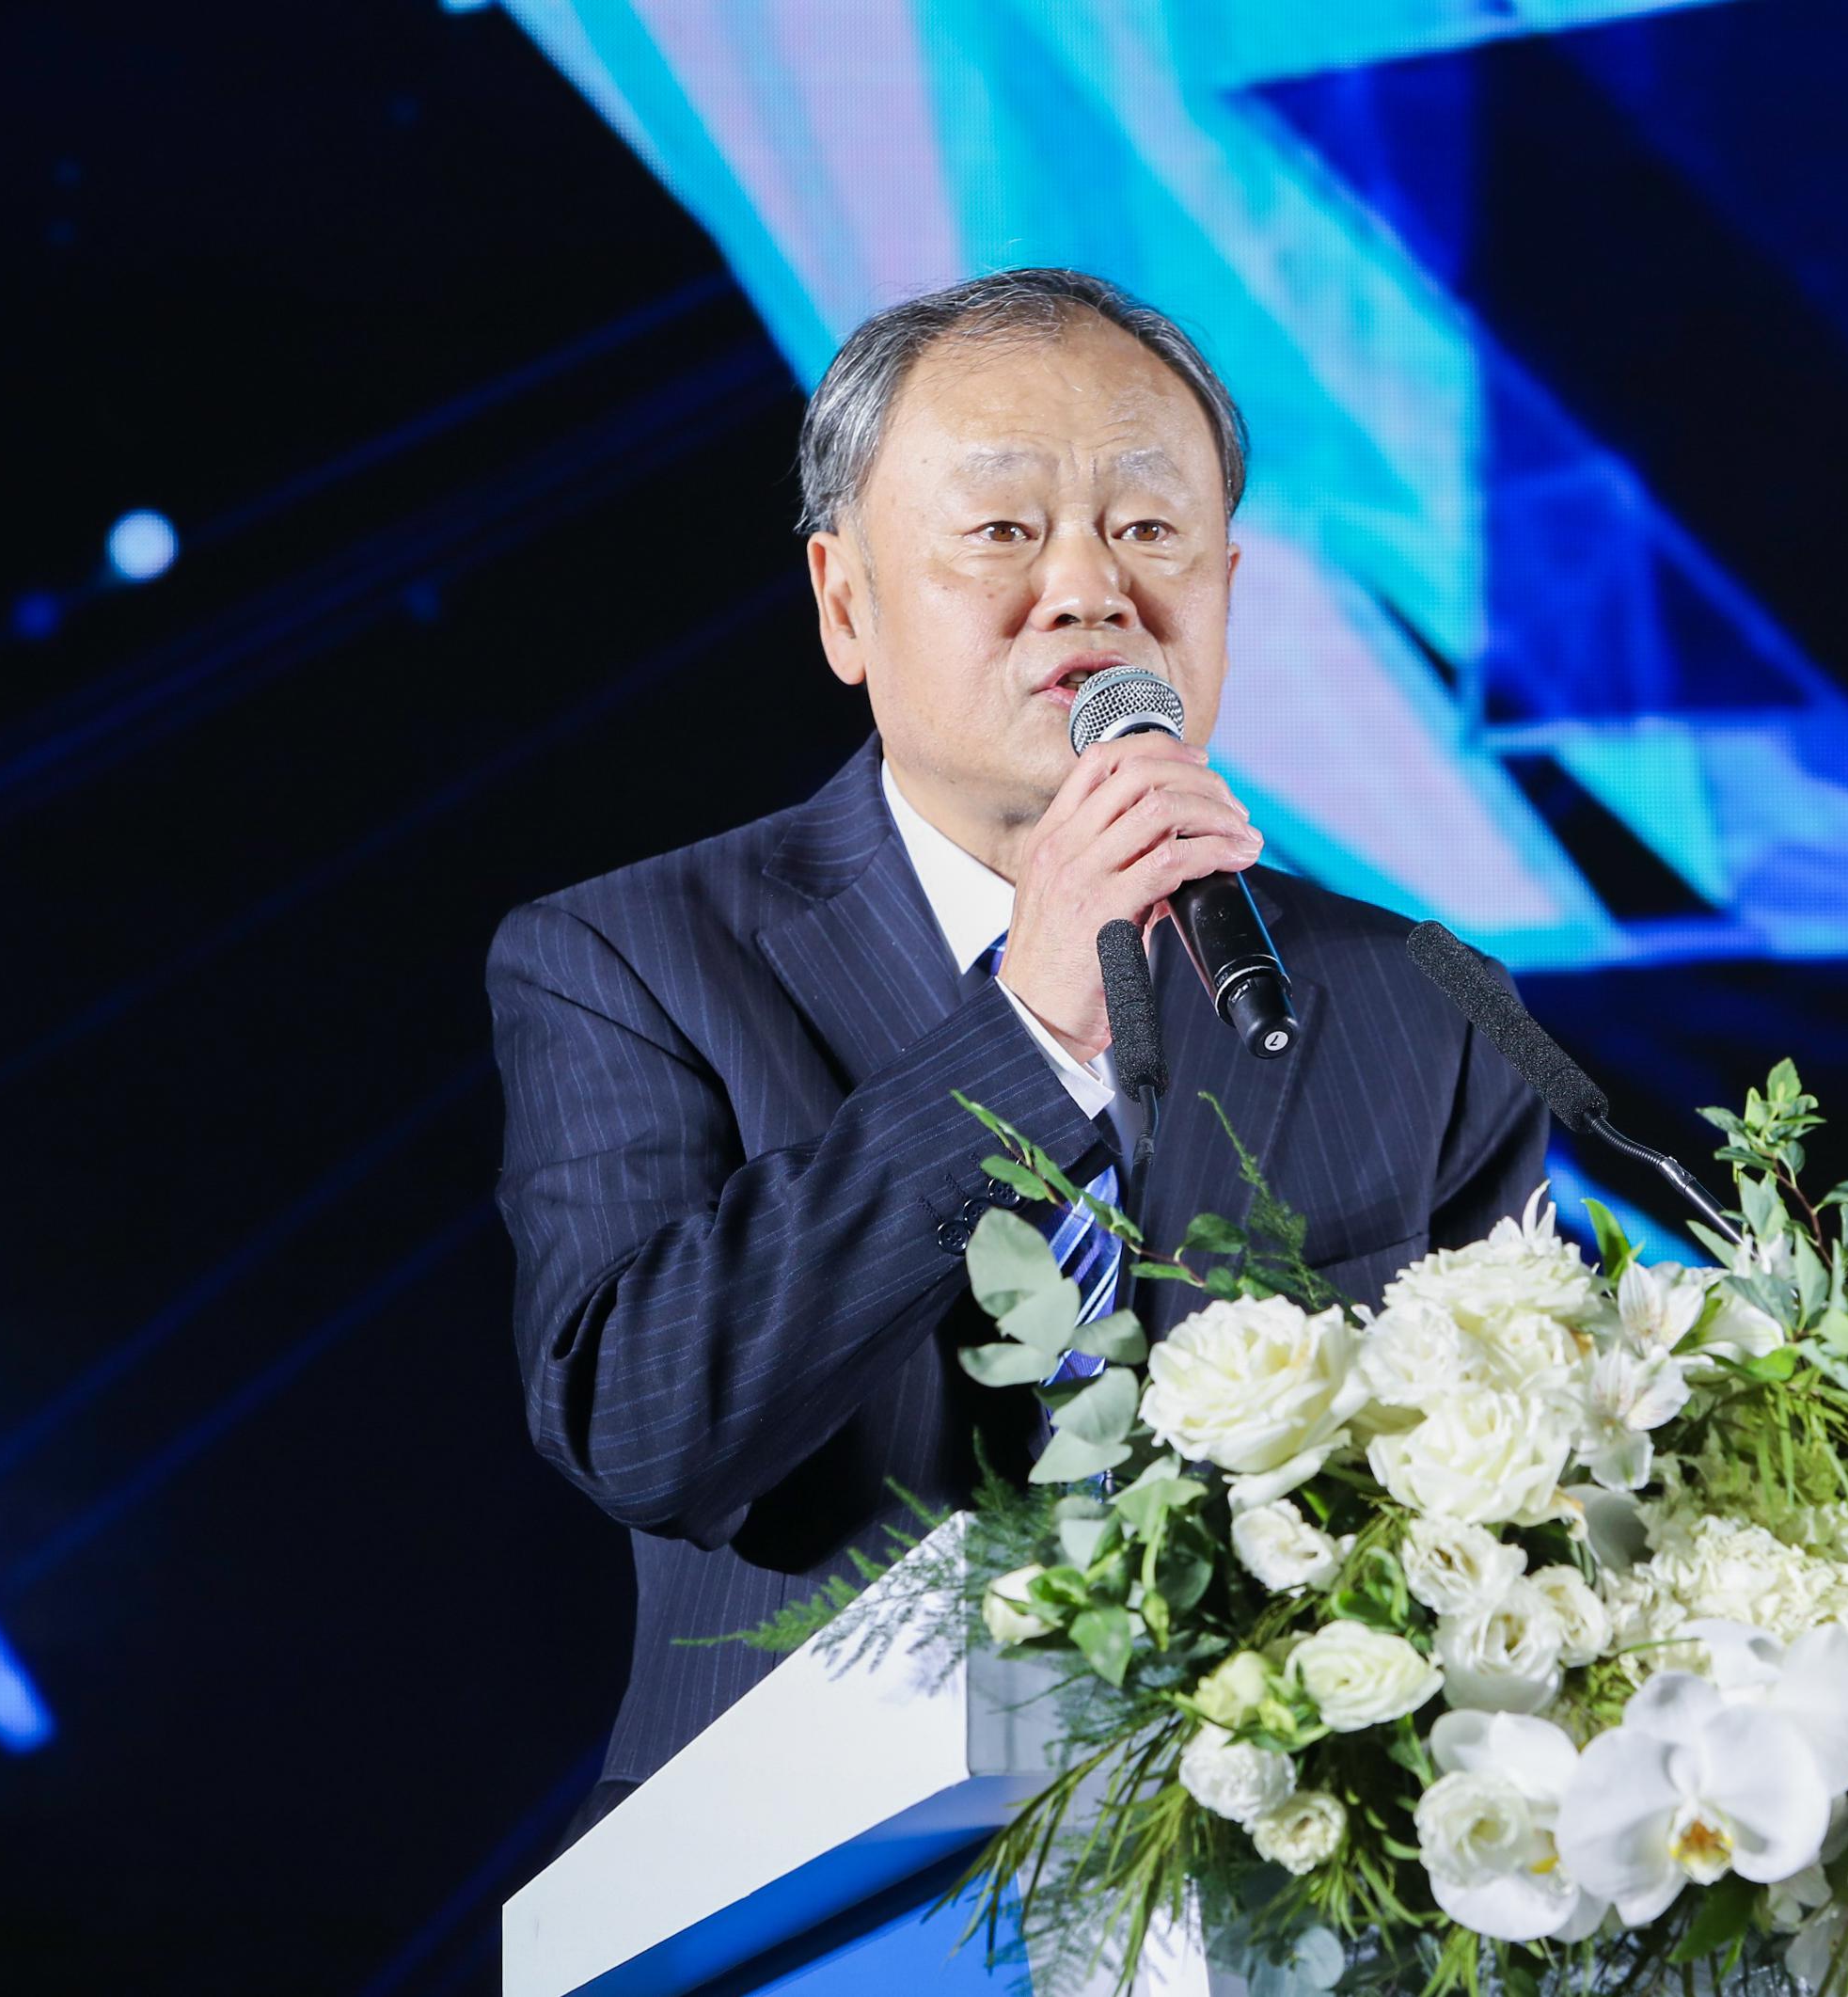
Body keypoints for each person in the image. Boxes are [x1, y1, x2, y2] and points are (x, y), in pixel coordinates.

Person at [485, 268, 1548, 1847]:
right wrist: (1034, 1026)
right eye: (1001, 529)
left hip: (1287, 1858)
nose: (1088, 591)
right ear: (845, 603)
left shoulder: (1418, 999)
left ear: (1226, 588)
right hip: (789, 1873)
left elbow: (1510, 1489)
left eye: (1148, 529)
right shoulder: (629, 959)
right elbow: (643, 1429)